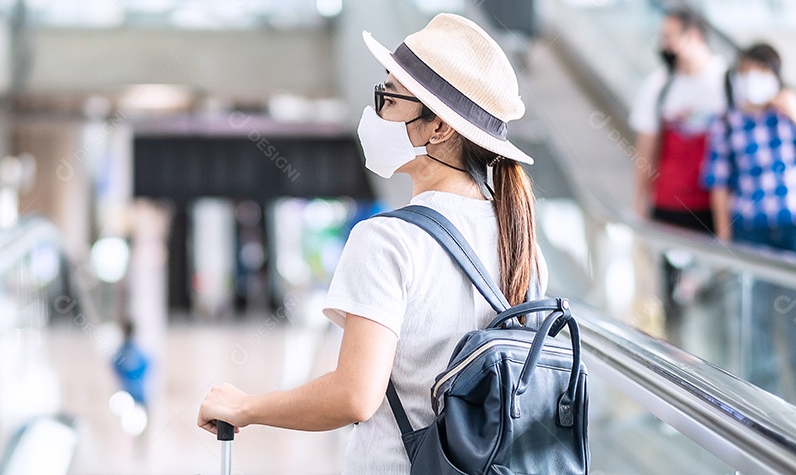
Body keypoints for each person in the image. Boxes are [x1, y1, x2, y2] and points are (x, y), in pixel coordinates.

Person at [198, 13, 548, 473]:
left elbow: (354, 396)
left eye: (388, 97)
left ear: (438, 127)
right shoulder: (519, 242)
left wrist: (246, 407)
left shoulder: (388, 239)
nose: (376, 111)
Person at [701, 43, 796, 418]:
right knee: (755, 327)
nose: (752, 81)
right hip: (750, 233)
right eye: (745, 72)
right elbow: (719, 185)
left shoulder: (791, 115)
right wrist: (725, 246)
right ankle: (766, 415)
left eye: (760, 72)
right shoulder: (726, 122)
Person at [630, 7, 728, 344]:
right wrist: (639, 202)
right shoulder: (660, 85)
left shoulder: (725, 81)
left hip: (715, 214)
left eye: (671, 38)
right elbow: (646, 145)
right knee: (673, 303)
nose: (665, 45)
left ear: (694, 37)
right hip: (668, 210)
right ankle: (680, 368)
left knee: (717, 300)